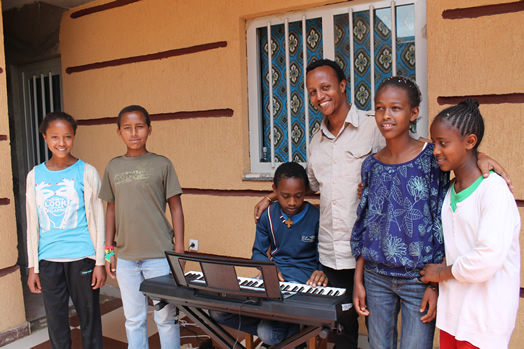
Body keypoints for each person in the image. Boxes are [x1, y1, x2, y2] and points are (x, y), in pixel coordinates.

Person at [254, 59, 511, 349]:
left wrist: (479, 156)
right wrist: (272, 196)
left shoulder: (384, 133)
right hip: (342, 255)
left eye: (325, 87)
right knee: (345, 330)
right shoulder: (321, 144)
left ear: (342, 86)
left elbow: (443, 148)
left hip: (408, 271)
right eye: (312, 91)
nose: (319, 96)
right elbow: (312, 188)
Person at [351, 76, 448, 349]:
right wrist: (358, 280)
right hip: (376, 277)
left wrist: (435, 284)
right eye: (380, 108)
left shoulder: (432, 159)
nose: (386, 115)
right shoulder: (372, 165)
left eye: (395, 108)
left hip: (419, 279)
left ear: (413, 113)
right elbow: (364, 226)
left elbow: (441, 222)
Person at [420, 99, 520, 349]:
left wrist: (441, 273)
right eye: (434, 143)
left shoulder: (493, 190)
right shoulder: (450, 190)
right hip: (453, 317)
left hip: (484, 321)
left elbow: (487, 258)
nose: (436, 151)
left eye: (443, 143)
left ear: (470, 142)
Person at [213, 162, 327, 346]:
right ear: (274, 190)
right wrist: (268, 268)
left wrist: (322, 270)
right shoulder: (267, 215)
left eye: (298, 196)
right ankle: (291, 331)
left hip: (302, 281)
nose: (292, 202)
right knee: (219, 312)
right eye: (285, 196)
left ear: (306, 191)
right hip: (271, 277)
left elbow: (324, 251)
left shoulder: (317, 216)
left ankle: (286, 332)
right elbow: (258, 252)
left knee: (267, 333)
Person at [100, 105, 185, 349]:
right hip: (126, 257)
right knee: (134, 319)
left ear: (149, 129)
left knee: (166, 318)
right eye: (127, 128)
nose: (134, 133)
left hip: (159, 256)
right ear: (119, 133)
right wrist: (109, 251)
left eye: (139, 127)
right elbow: (111, 210)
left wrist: (178, 251)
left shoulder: (162, 164)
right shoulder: (113, 167)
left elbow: (176, 208)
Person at [26, 111, 105, 348]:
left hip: (83, 258)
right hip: (48, 261)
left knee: (89, 319)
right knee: (56, 321)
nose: (61, 143)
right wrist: (33, 267)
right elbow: (32, 222)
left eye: (67, 137)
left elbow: (101, 221)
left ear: (74, 137)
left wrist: (101, 261)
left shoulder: (87, 172)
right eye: (55, 137)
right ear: (45, 137)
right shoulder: (35, 175)